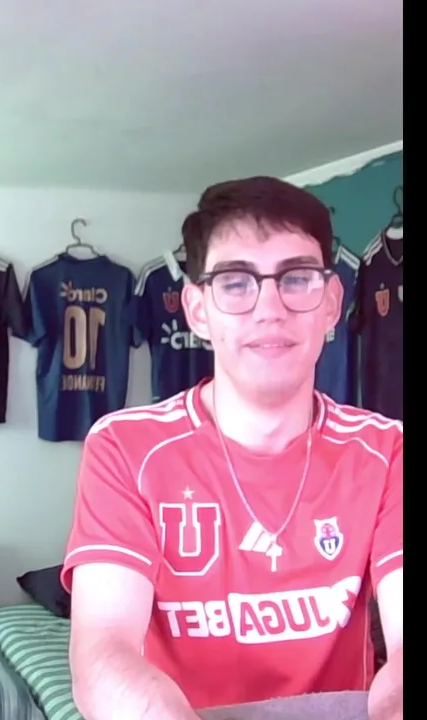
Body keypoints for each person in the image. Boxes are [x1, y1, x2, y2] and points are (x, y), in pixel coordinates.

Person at [62, 176, 403, 720]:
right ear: (197, 310)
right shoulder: (125, 448)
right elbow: (104, 651)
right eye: (236, 282)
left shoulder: (387, 450)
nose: (270, 308)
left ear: (331, 302)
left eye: (297, 278)